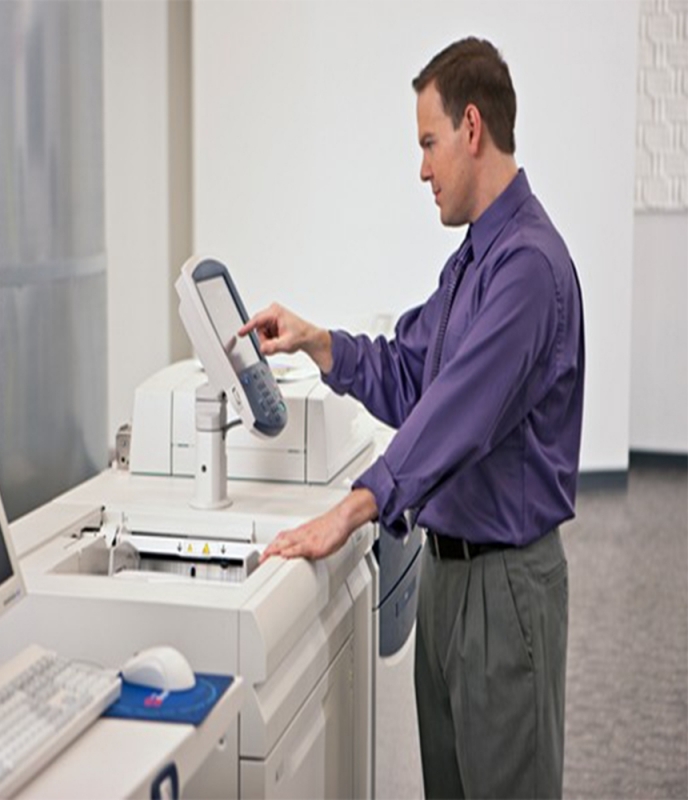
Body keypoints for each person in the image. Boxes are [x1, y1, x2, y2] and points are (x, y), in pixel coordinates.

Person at [240, 36, 585, 799]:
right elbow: (411, 372)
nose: (422, 168)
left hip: (504, 590)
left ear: (470, 128)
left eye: (428, 143)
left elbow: (459, 413)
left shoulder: (527, 268)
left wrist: (356, 507)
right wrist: (318, 340)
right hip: (448, 575)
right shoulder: (473, 262)